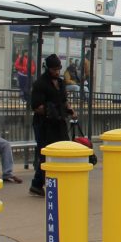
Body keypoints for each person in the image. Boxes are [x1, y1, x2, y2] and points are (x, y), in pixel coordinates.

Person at [28, 54, 74, 197]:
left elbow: (64, 100)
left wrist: (70, 110)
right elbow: (36, 106)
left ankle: (61, 182)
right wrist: (51, 110)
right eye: (54, 69)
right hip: (44, 124)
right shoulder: (40, 84)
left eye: (58, 69)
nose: (57, 72)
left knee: (63, 151)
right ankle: (37, 184)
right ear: (48, 69)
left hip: (59, 122)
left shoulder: (60, 83)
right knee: (46, 155)